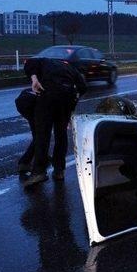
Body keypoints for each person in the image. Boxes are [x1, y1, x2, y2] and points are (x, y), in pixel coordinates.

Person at [22, 57, 87, 187]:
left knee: (43, 134)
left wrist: (34, 80)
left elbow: (29, 63)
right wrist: (71, 108)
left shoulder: (43, 61)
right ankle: (59, 170)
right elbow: (83, 88)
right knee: (61, 134)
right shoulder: (71, 69)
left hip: (48, 94)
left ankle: (39, 172)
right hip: (66, 97)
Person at [15, 88, 38, 173]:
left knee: (38, 134)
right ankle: (24, 163)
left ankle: (42, 156)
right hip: (33, 103)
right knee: (40, 137)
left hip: (22, 100)